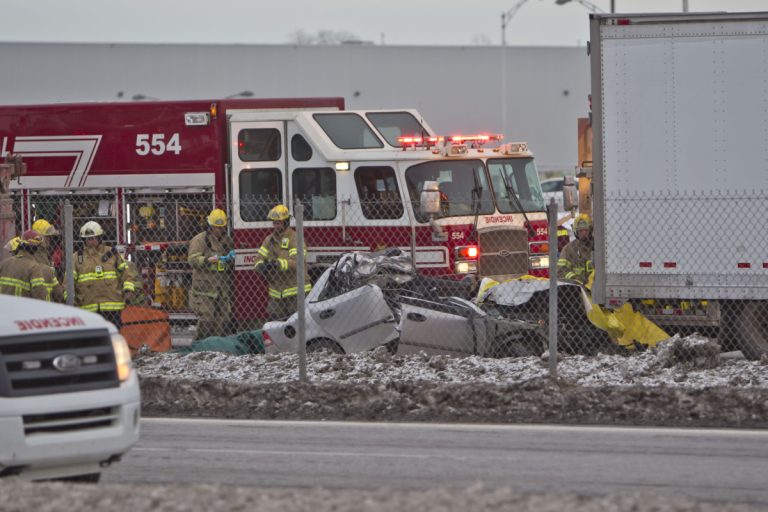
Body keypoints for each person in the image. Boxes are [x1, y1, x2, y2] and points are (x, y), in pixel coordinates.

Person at [73, 220, 137, 329]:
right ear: (84, 240)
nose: (91, 242)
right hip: (88, 308)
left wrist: (128, 290)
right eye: (88, 239)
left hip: (112, 307)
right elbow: (68, 282)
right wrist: (71, 301)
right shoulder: (77, 258)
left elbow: (127, 274)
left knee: (113, 339)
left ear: (99, 238)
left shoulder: (112, 253)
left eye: (93, 238)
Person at [253, 204, 311, 321]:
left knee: (295, 324)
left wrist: (277, 264)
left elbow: (297, 261)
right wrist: (261, 267)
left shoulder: (295, 238)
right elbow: (257, 259)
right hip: (277, 293)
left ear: (286, 222)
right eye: (274, 223)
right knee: (274, 324)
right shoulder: (269, 240)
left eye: (278, 222)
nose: (275, 226)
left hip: (295, 291)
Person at [187, 208, 235, 340]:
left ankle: (215, 349)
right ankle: (199, 347)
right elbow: (192, 260)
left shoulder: (227, 241)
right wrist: (207, 261)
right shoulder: (199, 240)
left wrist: (231, 259)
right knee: (207, 320)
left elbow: (229, 260)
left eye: (222, 227)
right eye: (216, 227)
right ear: (210, 226)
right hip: (204, 290)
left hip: (221, 289)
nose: (219, 230)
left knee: (222, 320)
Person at [0, 230, 49, 300]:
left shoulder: (4, 264)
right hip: (25, 309)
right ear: (35, 248)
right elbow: (40, 295)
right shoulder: (33, 267)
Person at [31, 218, 65, 303]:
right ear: (40, 237)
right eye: (47, 237)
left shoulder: (43, 252)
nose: (49, 240)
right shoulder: (38, 253)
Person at [557, 213, 593, 285]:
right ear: (576, 232)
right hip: (577, 288)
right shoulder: (568, 249)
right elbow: (561, 271)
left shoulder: (598, 247)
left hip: (595, 287)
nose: (584, 233)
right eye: (581, 231)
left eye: (586, 230)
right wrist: (576, 279)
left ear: (590, 230)